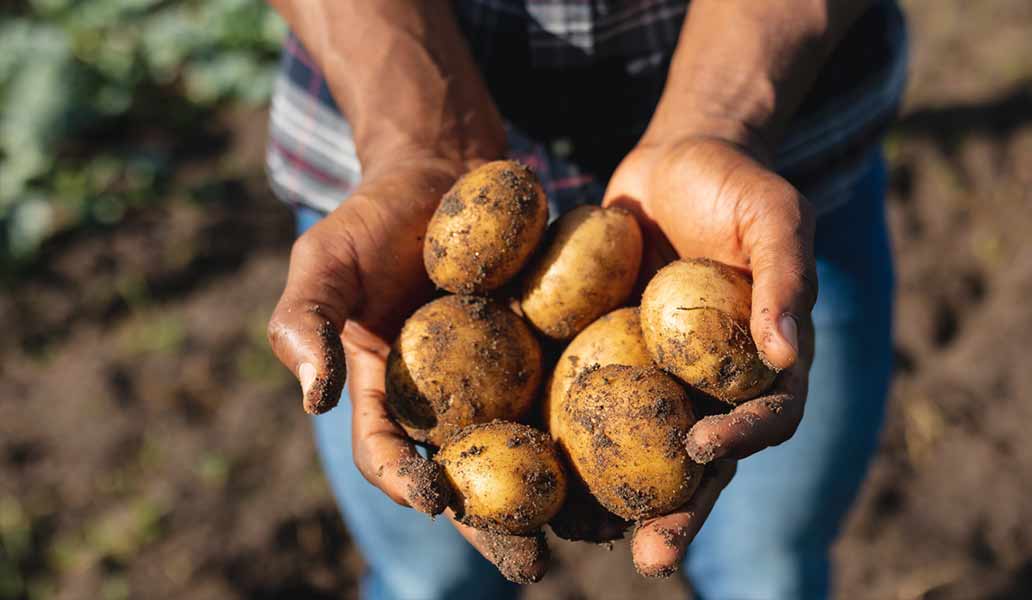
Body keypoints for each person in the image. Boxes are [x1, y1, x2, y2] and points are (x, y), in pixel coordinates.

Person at [264, 1, 907, 598]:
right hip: (391, 178)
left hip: (766, 159)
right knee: (425, 579)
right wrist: (418, 137)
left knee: (769, 562)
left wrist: (721, 118)